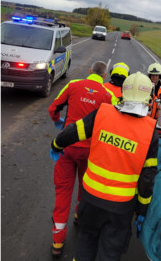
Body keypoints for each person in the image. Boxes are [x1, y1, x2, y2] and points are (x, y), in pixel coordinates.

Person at [50, 72, 159, 261]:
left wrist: (56, 144)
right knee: (110, 252)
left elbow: (74, 131)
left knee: (85, 243)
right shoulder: (150, 131)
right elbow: (147, 178)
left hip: (90, 198)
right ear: (148, 98)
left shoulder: (103, 113)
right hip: (120, 207)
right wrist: (142, 210)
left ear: (123, 93)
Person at [47, 60, 118, 257]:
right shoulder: (108, 95)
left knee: (63, 192)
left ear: (90, 71)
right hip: (91, 152)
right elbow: (114, 123)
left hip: (66, 147)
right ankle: (79, 214)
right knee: (85, 187)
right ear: (104, 76)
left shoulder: (73, 85)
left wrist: (58, 122)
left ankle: (57, 241)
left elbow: (53, 109)